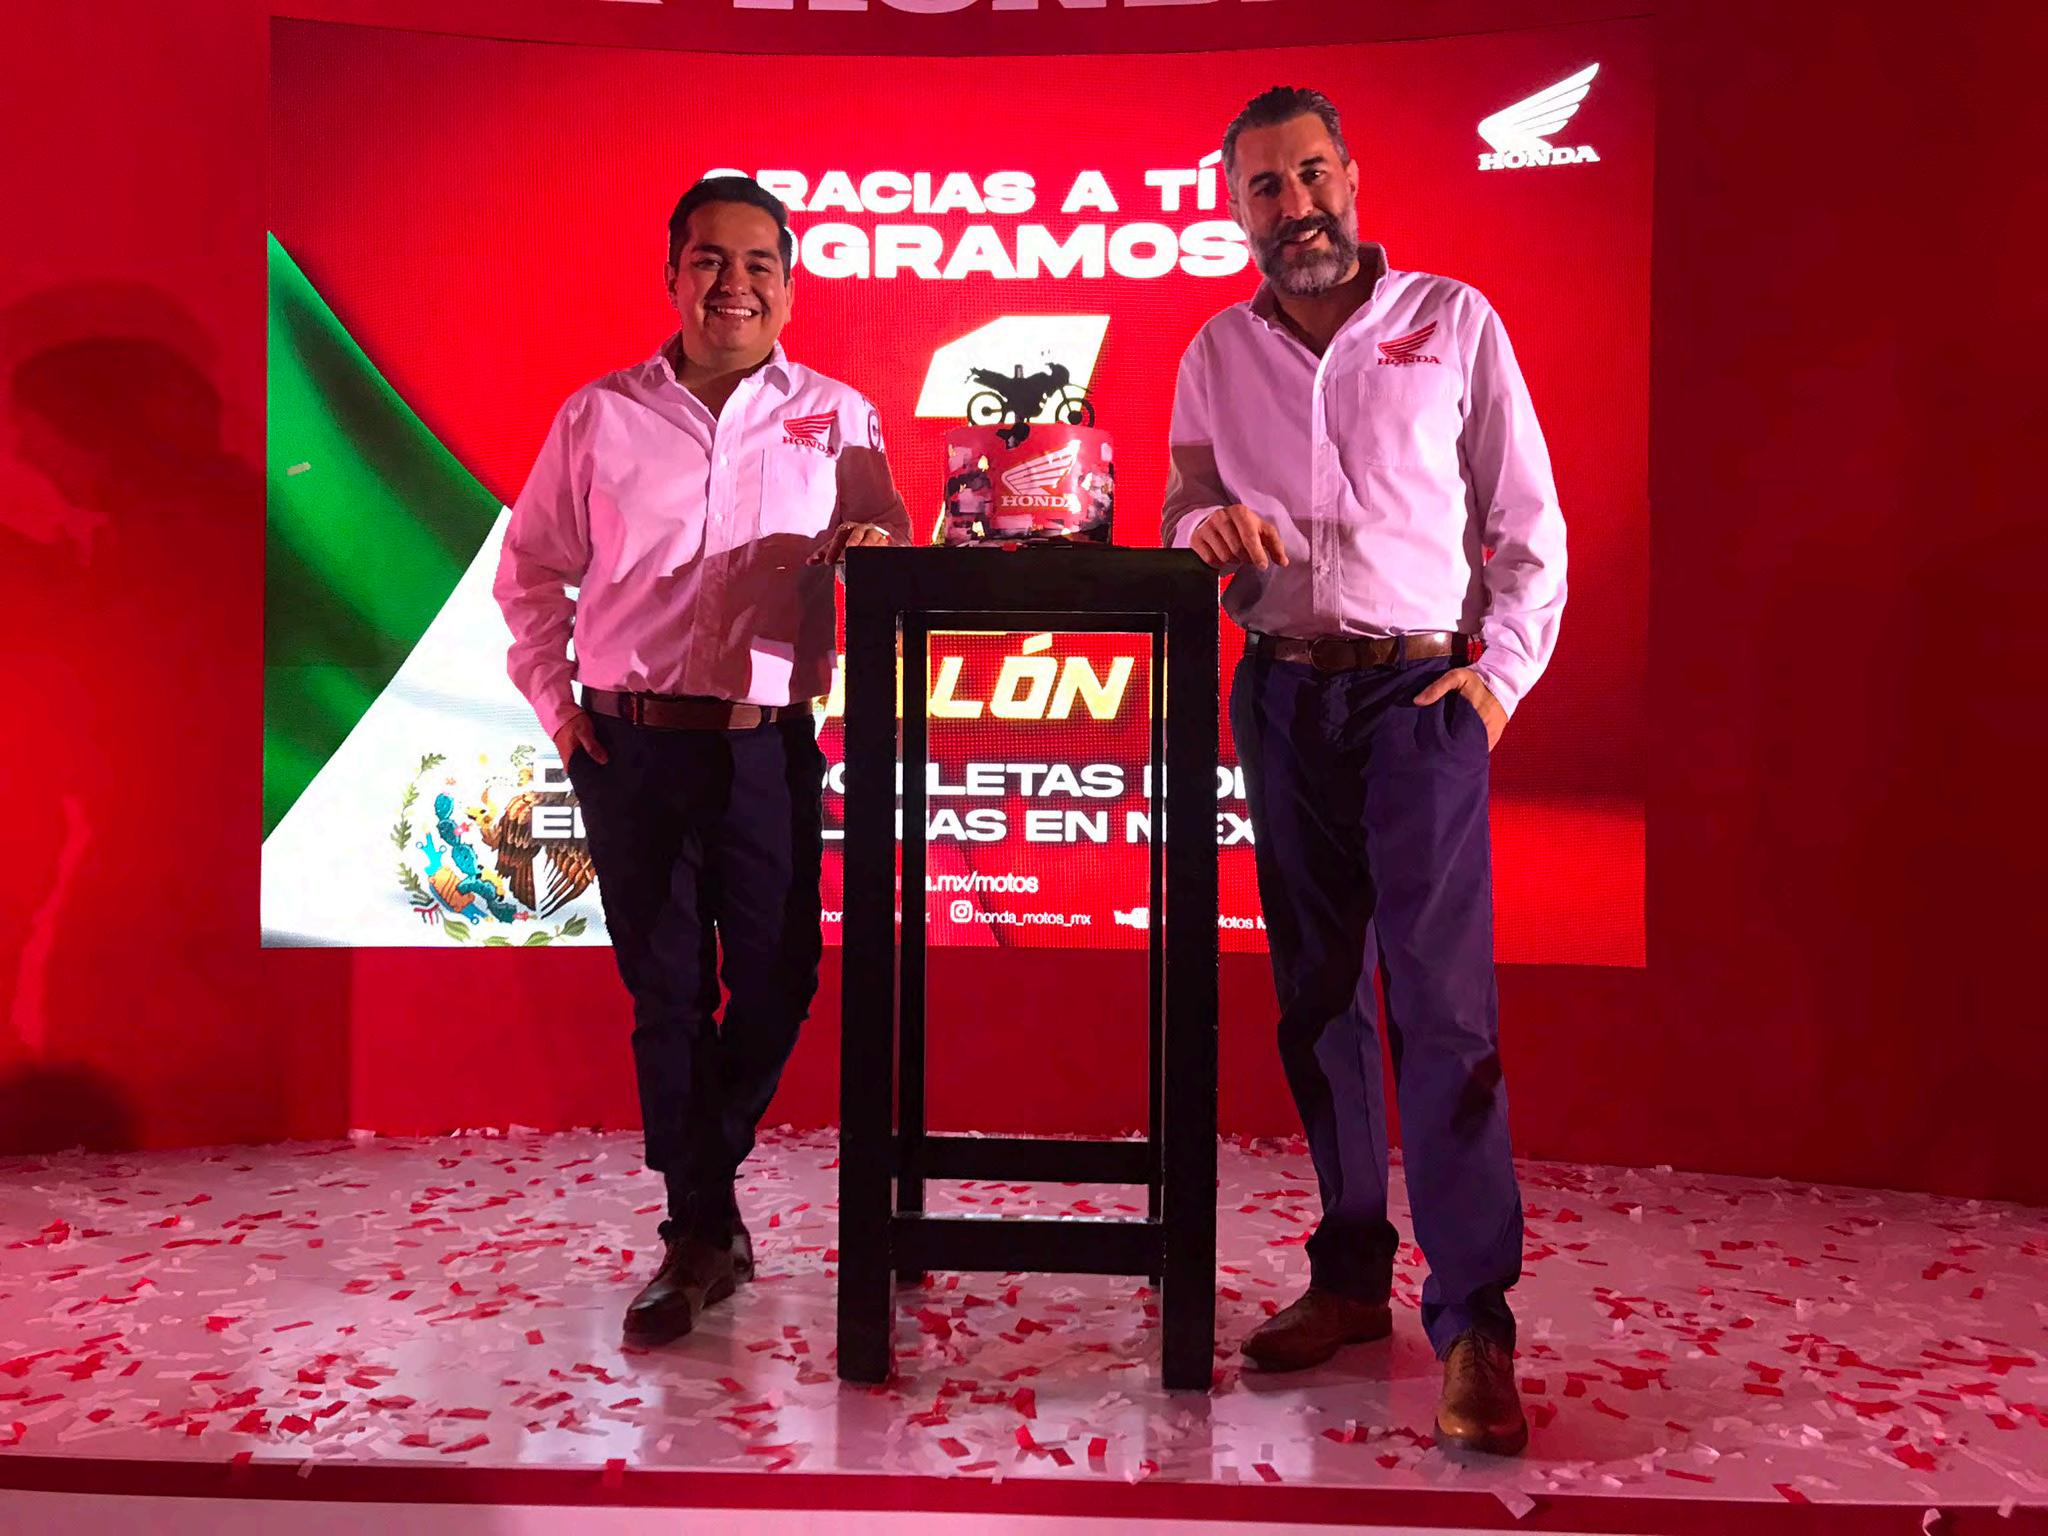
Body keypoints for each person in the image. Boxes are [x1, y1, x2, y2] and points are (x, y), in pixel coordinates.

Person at [1163, 87, 1567, 1455]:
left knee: (1443, 1014)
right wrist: (1205, 529)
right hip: (1282, 693)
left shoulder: (1451, 321)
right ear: (1235, 209)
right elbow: (1183, 503)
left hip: (1418, 694)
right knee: (1316, 1000)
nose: (1296, 206)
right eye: (1265, 187)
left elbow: (1526, 518)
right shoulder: (1216, 349)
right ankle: (1348, 1279)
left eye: (1311, 175)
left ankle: (1473, 1324)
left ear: (1353, 177)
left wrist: (1497, 681)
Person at [493, 176, 911, 1346]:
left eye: (757, 263)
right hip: (627, 746)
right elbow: (530, 573)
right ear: (672, 274)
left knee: (779, 980)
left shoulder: (839, 415)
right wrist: (558, 711)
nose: (734, 284)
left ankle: (700, 1183)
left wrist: (873, 543)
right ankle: (696, 1232)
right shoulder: (599, 415)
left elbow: (888, 544)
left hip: (766, 746)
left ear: (789, 281)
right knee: (668, 993)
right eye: (709, 261)